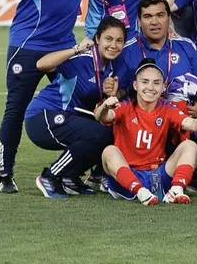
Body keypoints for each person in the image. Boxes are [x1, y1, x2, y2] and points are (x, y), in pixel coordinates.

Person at [0, 0, 96, 193]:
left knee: (85, 100)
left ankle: (80, 171)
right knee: (16, 109)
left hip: (63, 47)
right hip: (28, 46)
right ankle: (5, 173)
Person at [25, 18, 132, 198]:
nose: (113, 45)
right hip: (42, 117)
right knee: (96, 133)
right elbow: (41, 64)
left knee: (109, 132)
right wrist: (76, 49)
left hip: (69, 119)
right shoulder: (82, 59)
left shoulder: (111, 68)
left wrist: (113, 94)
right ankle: (50, 175)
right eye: (108, 39)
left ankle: (70, 177)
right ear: (97, 39)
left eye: (119, 40)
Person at [96, 60, 197, 205]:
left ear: (163, 86)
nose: (150, 87)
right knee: (109, 151)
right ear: (135, 85)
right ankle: (140, 191)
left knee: (190, 145)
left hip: (157, 175)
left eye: (156, 83)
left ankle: (176, 190)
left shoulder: (167, 108)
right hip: (129, 174)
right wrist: (105, 107)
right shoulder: (125, 107)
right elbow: (102, 117)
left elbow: (194, 125)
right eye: (145, 82)